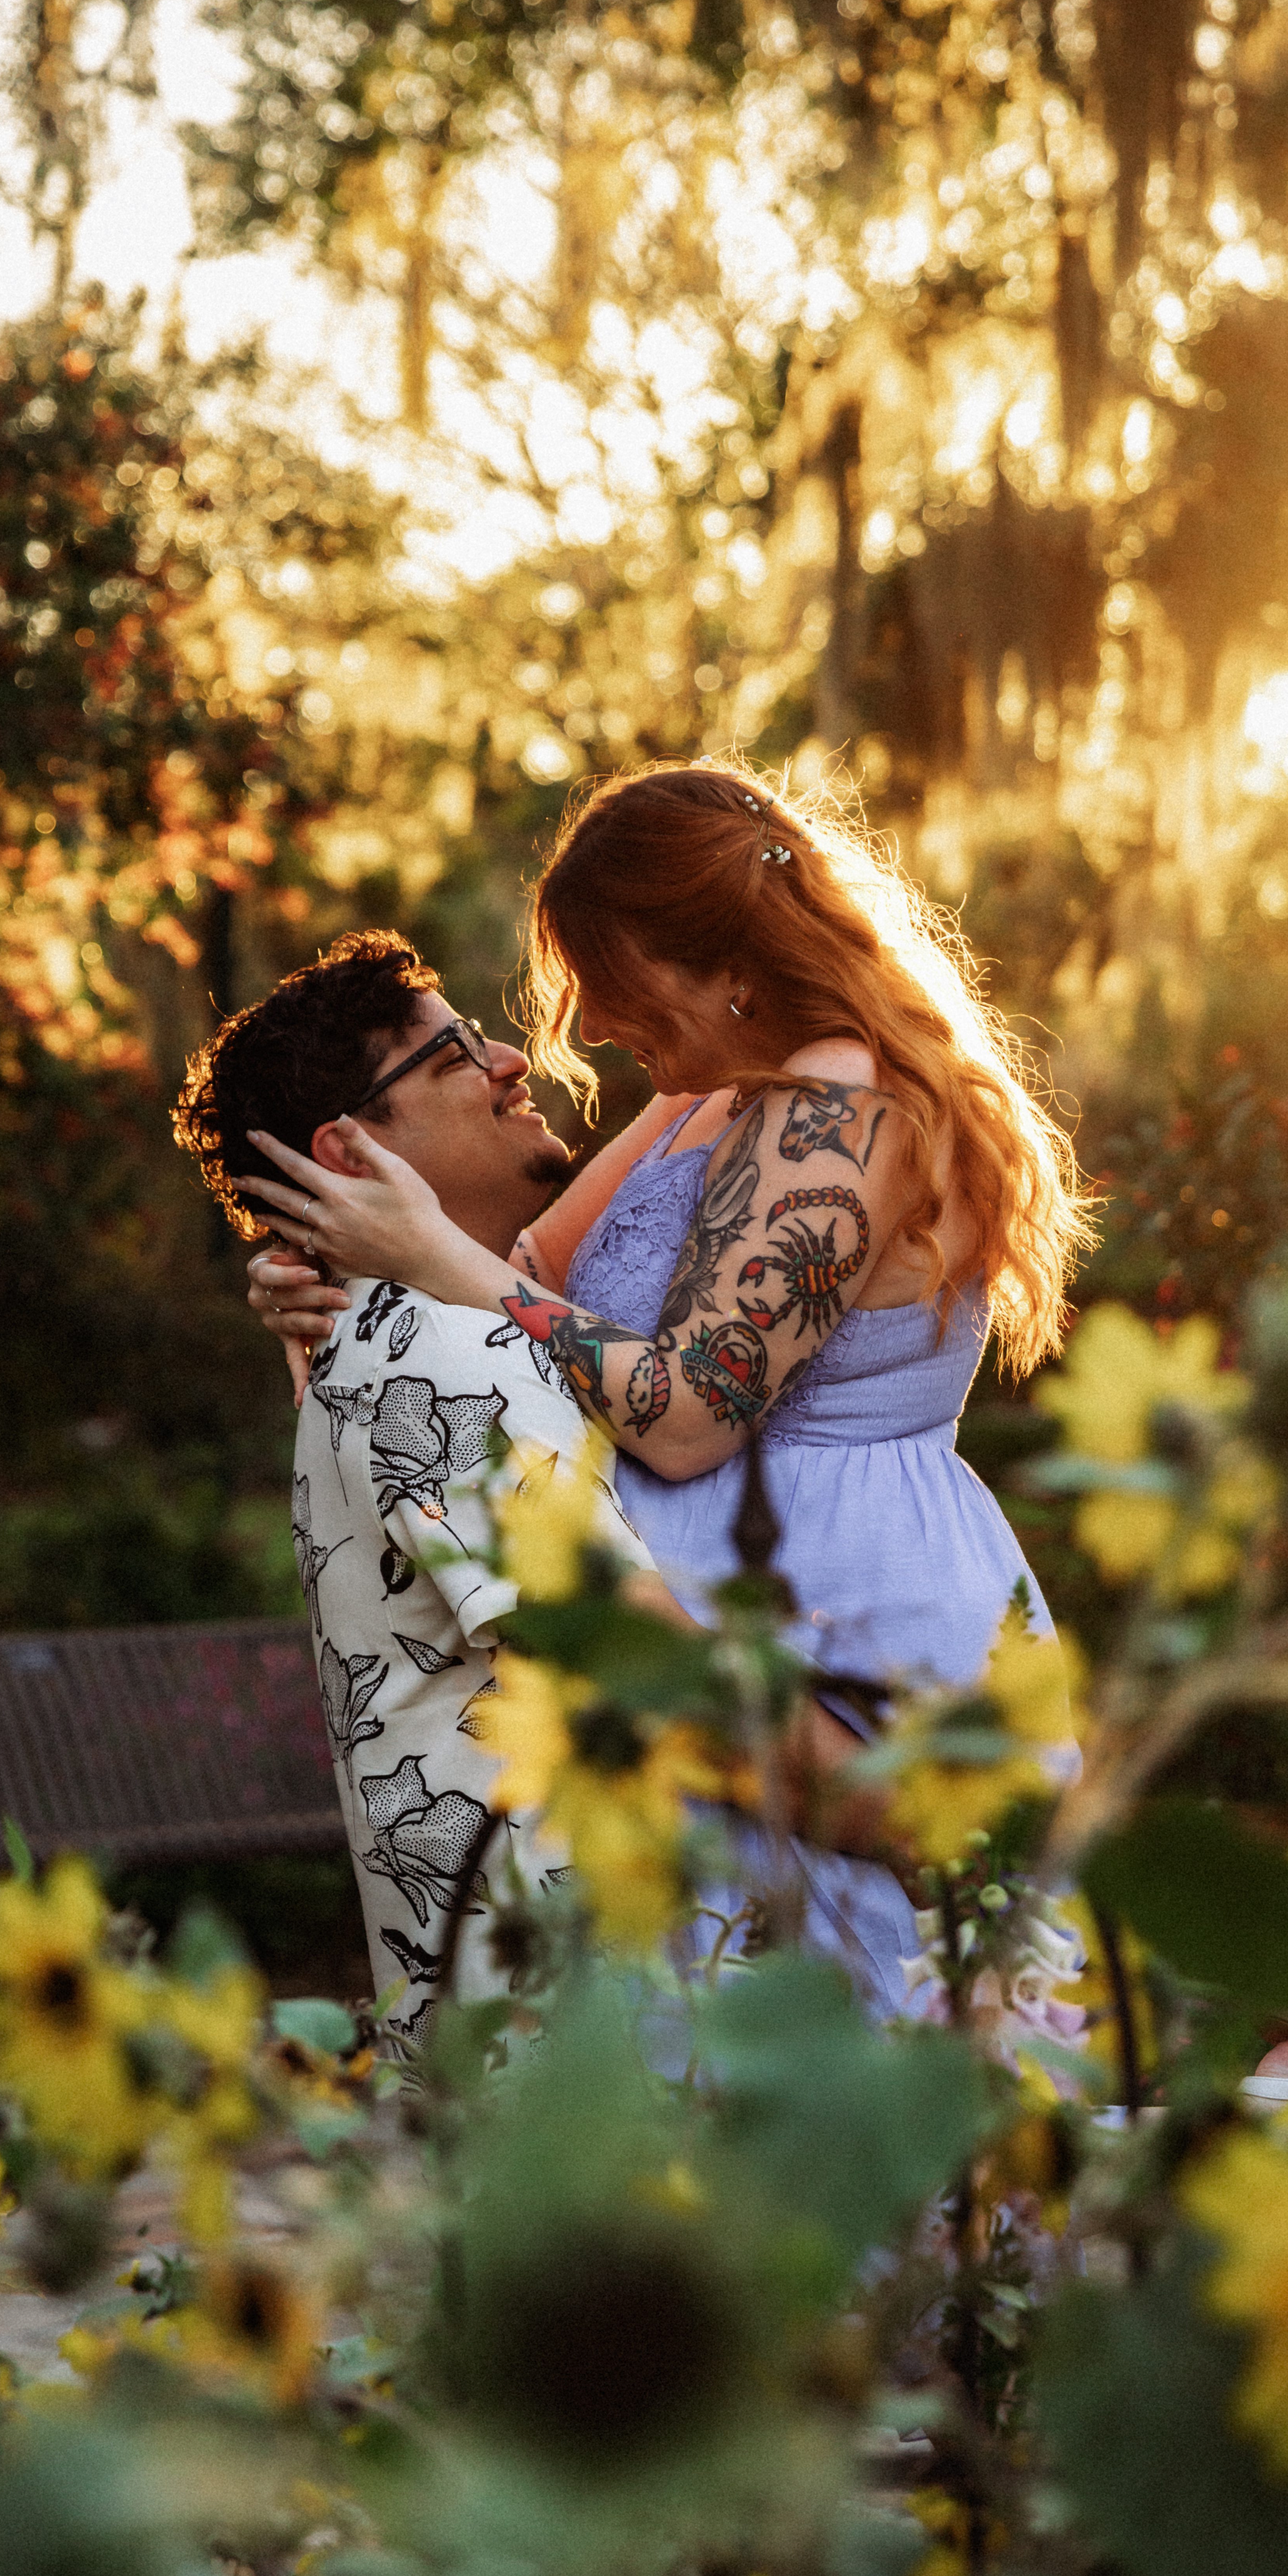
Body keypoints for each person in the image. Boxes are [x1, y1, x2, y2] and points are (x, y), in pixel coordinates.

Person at [237, 763, 1095, 2023]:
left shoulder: (848, 1113)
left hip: (840, 1613)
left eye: (611, 977)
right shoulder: (699, 1104)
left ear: (717, 959)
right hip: (692, 1627)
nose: (584, 1026)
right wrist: (329, 1287)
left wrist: (434, 1258)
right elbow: (523, 1282)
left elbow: (692, 1413)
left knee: (893, 2057)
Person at [173, 927, 887, 2043]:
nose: (514, 1058)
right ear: (352, 1152)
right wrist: (919, 1818)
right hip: (578, 2046)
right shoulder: (441, 1361)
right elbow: (651, 1669)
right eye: (457, 1055)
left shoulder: (406, 1334)